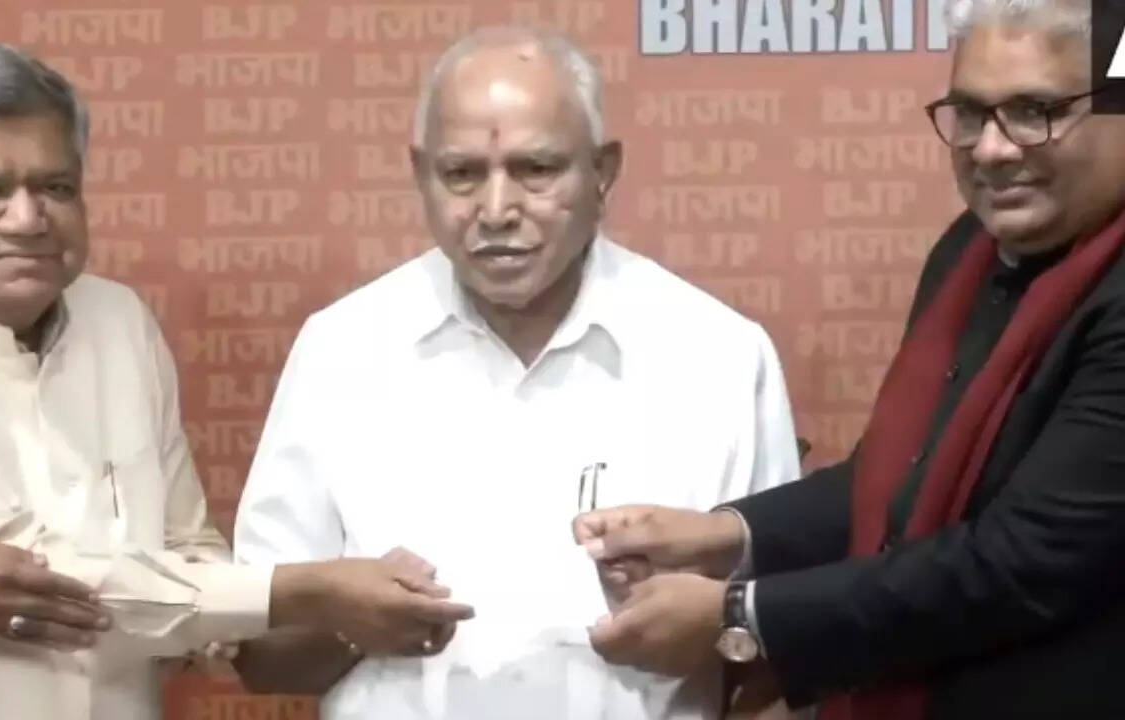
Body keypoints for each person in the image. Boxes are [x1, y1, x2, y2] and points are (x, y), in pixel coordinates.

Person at [0, 43, 471, 720]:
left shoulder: (118, 322)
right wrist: (302, 593)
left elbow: (186, 542)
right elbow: (34, 582)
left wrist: (247, 625)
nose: (26, 220)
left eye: (55, 188)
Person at [573, 1, 1125, 718]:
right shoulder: (970, 250)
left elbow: (1025, 563)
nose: (992, 149)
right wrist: (727, 535)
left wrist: (742, 617)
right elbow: (899, 477)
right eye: (969, 113)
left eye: (1034, 111)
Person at [232, 26, 801, 720]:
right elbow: (259, 656)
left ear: (603, 171)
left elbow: (782, 647)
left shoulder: (718, 354)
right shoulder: (342, 350)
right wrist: (346, 620)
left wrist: (709, 628)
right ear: (420, 173)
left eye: (536, 169)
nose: (496, 211)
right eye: (462, 174)